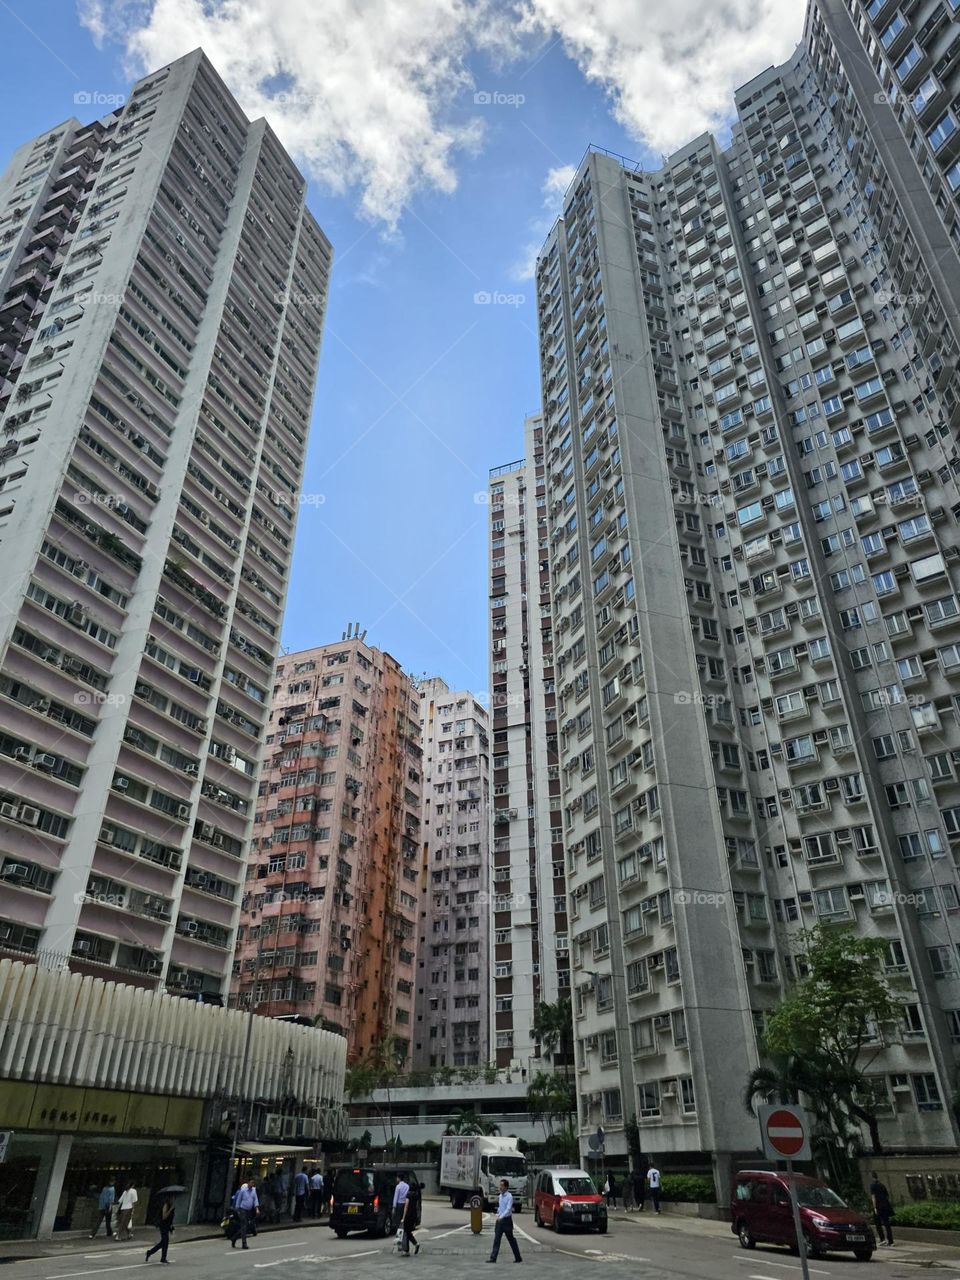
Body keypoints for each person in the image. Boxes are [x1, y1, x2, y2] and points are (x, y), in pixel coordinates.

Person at [487, 1179, 522, 1264]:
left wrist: (501, 1217)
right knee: (497, 1239)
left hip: (507, 1221)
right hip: (500, 1221)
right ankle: (493, 1258)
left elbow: (508, 1209)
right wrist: (498, 1214)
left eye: (502, 1186)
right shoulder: (500, 1196)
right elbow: (500, 1207)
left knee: (511, 1239)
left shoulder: (509, 1196)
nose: (500, 1187)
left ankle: (518, 1257)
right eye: (500, 1185)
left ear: (506, 1187)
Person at [145, 1196, 174, 1264]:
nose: (173, 1199)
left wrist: (171, 1227)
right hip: (163, 1225)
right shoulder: (166, 1205)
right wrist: (170, 1210)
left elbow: (171, 1218)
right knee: (165, 1242)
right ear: (169, 1198)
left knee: (163, 1243)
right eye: (172, 1198)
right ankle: (163, 1258)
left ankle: (150, 1252)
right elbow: (164, 1217)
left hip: (167, 1226)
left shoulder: (171, 1205)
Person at [869, 1170, 894, 1247]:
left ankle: (882, 1239)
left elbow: (873, 1197)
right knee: (887, 1224)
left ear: (872, 1177)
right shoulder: (882, 1185)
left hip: (878, 1206)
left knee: (878, 1223)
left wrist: (874, 1207)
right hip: (885, 1205)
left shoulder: (872, 1186)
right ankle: (891, 1241)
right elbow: (887, 1196)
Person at [233, 1178, 259, 1250]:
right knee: (244, 1225)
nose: (252, 1184)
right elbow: (238, 1200)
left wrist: (257, 1208)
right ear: (248, 1183)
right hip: (242, 1210)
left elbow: (255, 1200)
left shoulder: (254, 1190)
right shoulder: (243, 1190)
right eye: (251, 1182)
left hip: (249, 1210)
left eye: (253, 1183)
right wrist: (237, 1210)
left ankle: (234, 1238)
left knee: (246, 1227)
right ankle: (244, 1243)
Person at [400, 1179, 422, 1256]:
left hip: (408, 1216)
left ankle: (406, 1250)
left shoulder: (408, 1195)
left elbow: (406, 1206)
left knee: (406, 1232)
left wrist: (403, 1217)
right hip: (414, 1215)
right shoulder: (416, 1195)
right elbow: (417, 1206)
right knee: (408, 1232)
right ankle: (416, 1244)